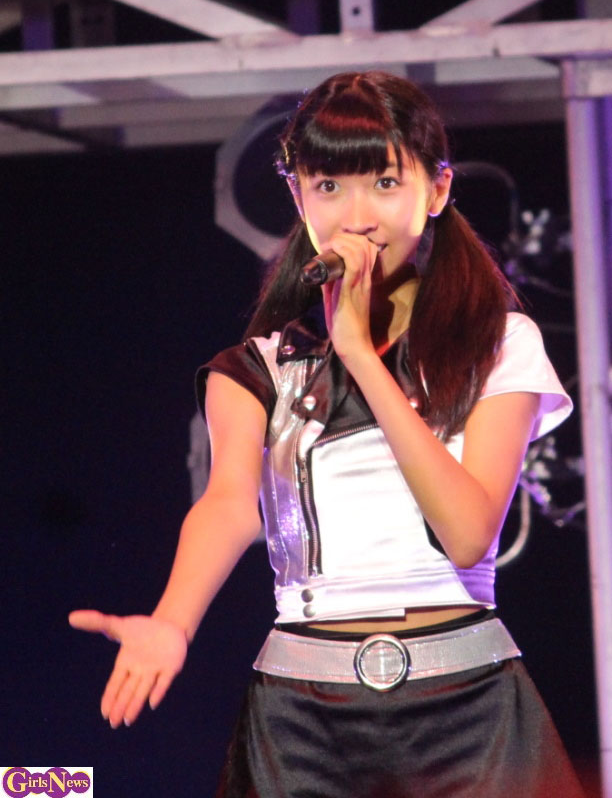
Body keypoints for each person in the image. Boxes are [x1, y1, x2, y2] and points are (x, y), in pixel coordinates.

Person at [69, 71, 585, 797]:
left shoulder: (499, 343)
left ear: (437, 189)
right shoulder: (254, 369)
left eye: (384, 182)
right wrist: (172, 622)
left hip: (468, 707)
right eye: (329, 186)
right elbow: (229, 504)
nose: (357, 215)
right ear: (299, 198)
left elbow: (470, 533)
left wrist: (360, 357)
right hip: (303, 718)